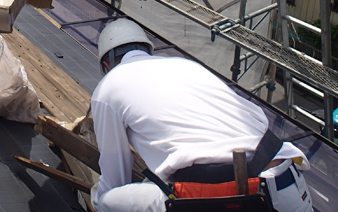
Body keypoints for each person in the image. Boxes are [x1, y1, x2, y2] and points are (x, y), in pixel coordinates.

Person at [90, 18, 313, 212]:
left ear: (107, 63)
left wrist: (97, 201)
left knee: (109, 201)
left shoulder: (108, 87)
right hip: (289, 186)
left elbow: (115, 176)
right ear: (148, 50)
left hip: (221, 197)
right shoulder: (185, 65)